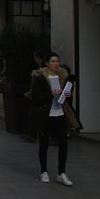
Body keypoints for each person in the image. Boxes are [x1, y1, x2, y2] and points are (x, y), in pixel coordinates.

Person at [30, 51, 74, 185]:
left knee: (63, 144)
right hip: (46, 114)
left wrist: (67, 94)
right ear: (47, 63)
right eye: (53, 61)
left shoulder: (63, 76)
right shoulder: (40, 77)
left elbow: (67, 96)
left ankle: (62, 173)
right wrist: (50, 93)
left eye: (57, 61)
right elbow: (36, 97)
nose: (56, 64)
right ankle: (44, 171)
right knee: (44, 143)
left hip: (59, 113)